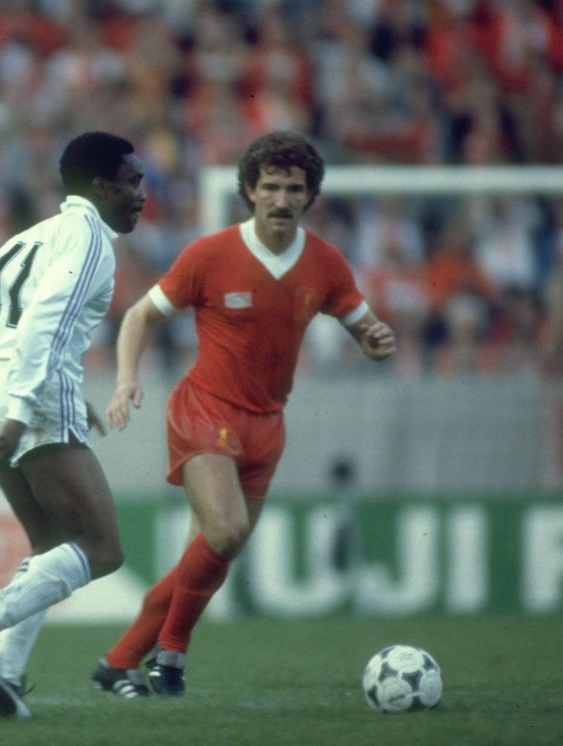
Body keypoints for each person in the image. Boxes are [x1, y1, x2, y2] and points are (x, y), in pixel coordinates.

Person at [93, 130, 396, 698]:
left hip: (266, 426)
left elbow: (363, 324)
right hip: (204, 410)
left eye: (295, 189)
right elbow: (139, 316)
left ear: (310, 196)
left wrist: (375, 338)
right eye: (271, 187)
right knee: (226, 531)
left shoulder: (325, 263)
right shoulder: (210, 255)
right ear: (250, 192)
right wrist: (126, 379)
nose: (282, 199)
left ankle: (118, 662)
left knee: (206, 555)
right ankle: (172, 657)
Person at [0, 131, 147, 718]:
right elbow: (44, 321)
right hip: (25, 388)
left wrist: (39, 394)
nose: (142, 195)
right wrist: (29, 402)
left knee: (50, 542)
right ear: (103, 186)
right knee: (102, 548)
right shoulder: (90, 240)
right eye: (133, 183)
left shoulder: (29, 237)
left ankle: (5, 674)